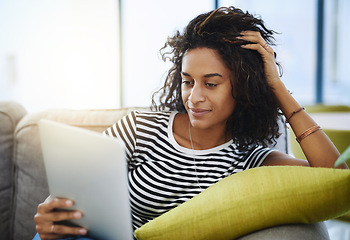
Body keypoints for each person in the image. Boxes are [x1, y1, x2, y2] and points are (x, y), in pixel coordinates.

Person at [33, 6, 348, 240]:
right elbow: (78, 191)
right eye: (187, 81)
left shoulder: (251, 160)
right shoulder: (139, 128)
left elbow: (335, 179)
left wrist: (275, 86)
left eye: (211, 84)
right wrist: (54, 212)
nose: (194, 97)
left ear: (244, 87)